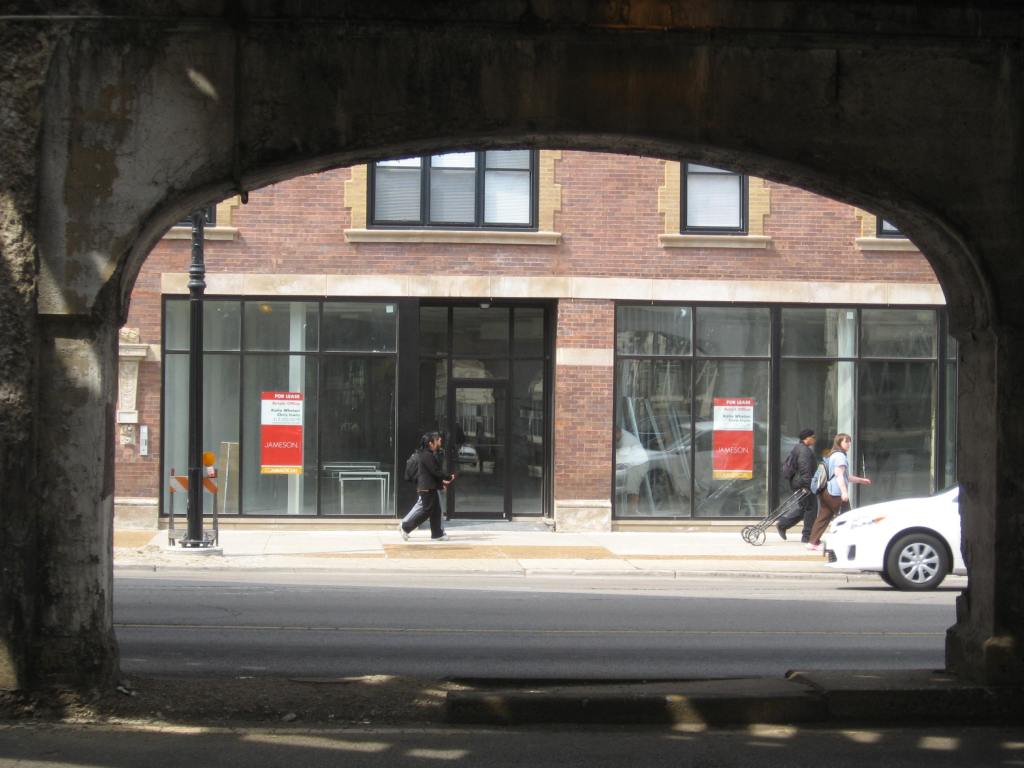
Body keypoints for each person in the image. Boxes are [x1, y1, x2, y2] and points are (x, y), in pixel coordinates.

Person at [806, 432, 871, 551]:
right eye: (846, 441)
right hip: (835, 493)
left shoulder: (832, 455)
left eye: (849, 441)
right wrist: (844, 492)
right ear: (839, 443)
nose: (849, 443)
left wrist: (861, 480)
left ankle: (813, 542)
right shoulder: (840, 456)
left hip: (826, 491)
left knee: (823, 517)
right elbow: (839, 475)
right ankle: (849, 543)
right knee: (847, 517)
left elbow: (846, 476)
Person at [398, 431, 454, 541]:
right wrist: (447, 477)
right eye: (437, 440)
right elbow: (436, 472)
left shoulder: (428, 454)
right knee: (427, 511)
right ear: (430, 443)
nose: (440, 441)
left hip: (430, 487)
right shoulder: (426, 455)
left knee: (436, 511)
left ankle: (437, 534)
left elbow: (432, 474)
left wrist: (442, 484)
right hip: (426, 488)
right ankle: (405, 527)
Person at [776, 428, 818, 542]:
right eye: (813, 437)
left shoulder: (799, 448)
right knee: (811, 509)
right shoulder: (804, 451)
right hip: (803, 484)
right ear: (807, 438)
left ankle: (783, 524)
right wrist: (807, 486)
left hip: (799, 482)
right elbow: (805, 469)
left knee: (805, 508)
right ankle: (807, 536)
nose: (814, 439)